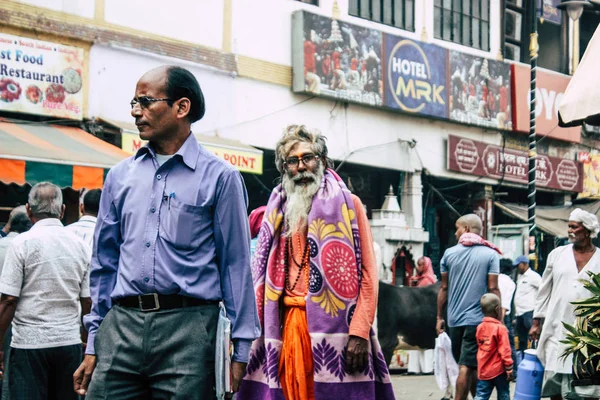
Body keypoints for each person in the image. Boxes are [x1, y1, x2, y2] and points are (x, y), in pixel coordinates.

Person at [73, 66, 260, 399]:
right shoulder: (119, 176)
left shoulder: (221, 178)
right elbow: (104, 263)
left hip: (190, 333)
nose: (135, 111)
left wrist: (241, 348)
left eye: (145, 101)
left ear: (181, 107)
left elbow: (236, 266)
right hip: (121, 328)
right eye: (134, 102)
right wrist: (94, 339)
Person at [238, 125, 395, 400]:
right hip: (286, 327)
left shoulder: (351, 204)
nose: (301, 166)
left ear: (321, 161)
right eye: (293, 161)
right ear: (284, 168)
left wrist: (359, 331)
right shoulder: (278, 209)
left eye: (308, 157)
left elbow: (369, 274)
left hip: (337, 331)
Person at [0, 182, 91, 400]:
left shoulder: (21, 243)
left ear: (29, 209)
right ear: (62, 211)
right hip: (68, 343)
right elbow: (88, 301)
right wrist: (86, 341)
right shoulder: (80, 246)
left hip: (28, 345)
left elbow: (9, 299)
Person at [530, 209, 600, 400]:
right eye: (568, 226)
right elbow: (544, 291)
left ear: (586, 230)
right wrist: (537, 321)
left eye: (574, 227)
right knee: (555, 378)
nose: (569, 230)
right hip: (557, 324)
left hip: (588, 331)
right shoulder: (557, 255)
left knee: (586, 382)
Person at [436, 214, 501, 400]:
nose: (455, 233)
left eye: (457, 228)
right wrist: (499, 320)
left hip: (454, 320)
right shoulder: (490, 254)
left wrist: (439, 318)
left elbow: (443, 288)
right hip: (477, 321)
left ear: (465, 229)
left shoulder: (449, 254)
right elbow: (493, 288)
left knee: (467, 364)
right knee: (468, 365)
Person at [473, 293, 514, 400]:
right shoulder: (500, 328)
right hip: (499, 370)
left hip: (483, 369)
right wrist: (509, 368)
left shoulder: (480, 327)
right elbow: (505, 350)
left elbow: (481, 345)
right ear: (497, 309)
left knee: (481, 395)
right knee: (503, 394)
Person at [407, 256, 436, 375]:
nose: (418, 267)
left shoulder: (428, 280)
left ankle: (427, 368)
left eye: (420, 265)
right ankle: (414, 368)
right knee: (413, 342)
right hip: (415, 314)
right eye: (418, 265)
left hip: (425, 315)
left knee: (425, 342)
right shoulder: (417, 279)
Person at [513, 255, 541, 358]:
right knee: (522, 340)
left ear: (525, 264)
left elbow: (542, 290)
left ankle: (535, 358)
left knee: (533, 337)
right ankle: (524, 360)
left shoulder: (534, 276)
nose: (517, 267)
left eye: (518, 265)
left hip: (529, 312)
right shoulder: (520, 277)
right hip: (519, 313)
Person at [498, 258, 517, 375]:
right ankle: (513, 371)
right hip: (504, 317)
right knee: (509, 344)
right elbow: (505, 304)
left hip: (491, 314)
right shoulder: (511, 283)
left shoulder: (494, 279)